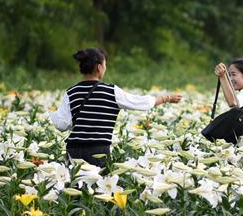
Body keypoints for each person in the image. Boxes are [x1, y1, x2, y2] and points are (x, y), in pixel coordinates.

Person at [50, 48, 182, 166]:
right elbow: (140, 103)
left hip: (74, 150)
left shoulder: (71, 92)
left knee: (75, 184)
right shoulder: (111, 91)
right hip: (98, 150)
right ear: (99, 67)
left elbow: (62, 125)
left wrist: (52, 114)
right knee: (98, 185)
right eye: (105, 65)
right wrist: (166, 98)